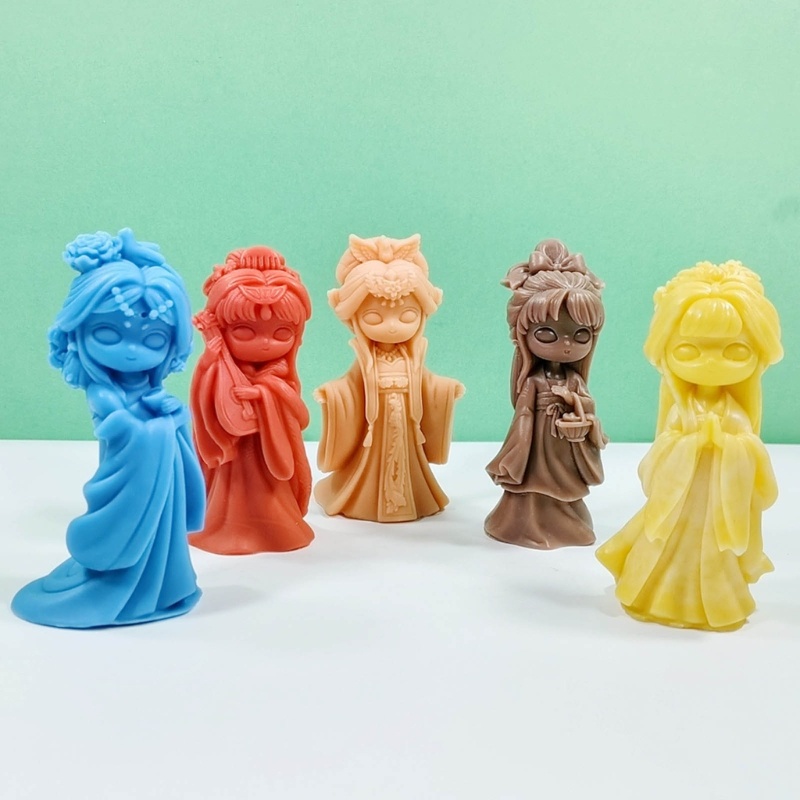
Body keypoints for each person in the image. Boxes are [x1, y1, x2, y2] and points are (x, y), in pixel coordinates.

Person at [12, 229, 204, 628]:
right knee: (130, 529)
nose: (131, 351)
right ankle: (122, 584)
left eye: (153, 339)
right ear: (77, 330)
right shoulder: (102, 390)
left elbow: (160, 419)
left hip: (159, 483)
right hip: (130, 477)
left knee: (162, 532)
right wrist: (161, 423)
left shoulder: (145, 385)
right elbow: (120, 428)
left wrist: (173, 416)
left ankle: (164, 586)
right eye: (108, 334)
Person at [597, 260, 782, 630]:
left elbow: (751, 453)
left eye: (735, 352)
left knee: (712, 552)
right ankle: (654, 594)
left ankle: (713, 603)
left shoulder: (735, 413)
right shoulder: (681, 411)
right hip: (679, 502)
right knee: (663, 546)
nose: (711, 363)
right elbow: (661, 453)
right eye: (688, 351)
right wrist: (693, 443)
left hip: (715, 506)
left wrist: (727, 446)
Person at [315, 234, 464, 522]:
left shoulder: (413, 356)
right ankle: (366, 498)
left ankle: (411, 497)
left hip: (407, 425)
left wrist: (444, 390)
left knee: (405, 461)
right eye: (374, 318)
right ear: (355, 318)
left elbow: (427, 383)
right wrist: (333, 394)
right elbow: (350, 387)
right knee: (373, 462)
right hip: (375, 428)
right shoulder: (365, 358)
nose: (392, 327)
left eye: (407, 317)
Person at [190, 246, 313, 553]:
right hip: (235, 451)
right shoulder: (219, 367)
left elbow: (299, 413)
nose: (265, 344)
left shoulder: (279, 373)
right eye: (245, 332)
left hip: (267, 450)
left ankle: (276, 525)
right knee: (233, 484)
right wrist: (211, 357)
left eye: (281, 333)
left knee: (268, 486)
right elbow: (206, 398)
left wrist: (261, 393)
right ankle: (228, 524)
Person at [485, 239, 606, 549]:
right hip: (536, 443)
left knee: (565, 484)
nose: (566, 345)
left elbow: (588, 405)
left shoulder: (573, 379)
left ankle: (568, 523)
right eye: (548, 334)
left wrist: (575, 403)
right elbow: (524, 414)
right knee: (535, 483)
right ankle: (526, 524)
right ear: (523, 336)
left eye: (580, 335)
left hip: (565, 444)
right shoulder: (534, 381)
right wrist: (517, 452)